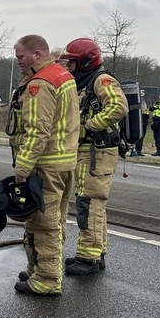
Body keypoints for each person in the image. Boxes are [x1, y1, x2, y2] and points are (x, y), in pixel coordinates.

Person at [7, 34, 80, 296]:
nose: (17, 61)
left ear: (37, 54)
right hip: (64, 162)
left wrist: (22, 168)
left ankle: (47, 280)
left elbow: (37, 131)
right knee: (55, 220)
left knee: (43, 223)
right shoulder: (62, 75)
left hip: (45, 165)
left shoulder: (41, 82)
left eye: (21, 56)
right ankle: (39, 268)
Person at [59, 38, 128, 276]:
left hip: (96, 152)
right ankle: (97, 254)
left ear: (87, 62)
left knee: (89, 204)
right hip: (88, 152)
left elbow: (118, 106)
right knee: (93, 204)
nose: (69, 68)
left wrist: (88, 125)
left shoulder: (101, 80)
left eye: (73, 63)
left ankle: (87, 258)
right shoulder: (85, 83)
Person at [132, 90, 150, 157]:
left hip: (143, 119)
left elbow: (146, 111)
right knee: (139, 136)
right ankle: (136, 150)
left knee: (140, 136)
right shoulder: (141, 102)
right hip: (141, 119)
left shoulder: (142, 102)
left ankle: (137, 150)